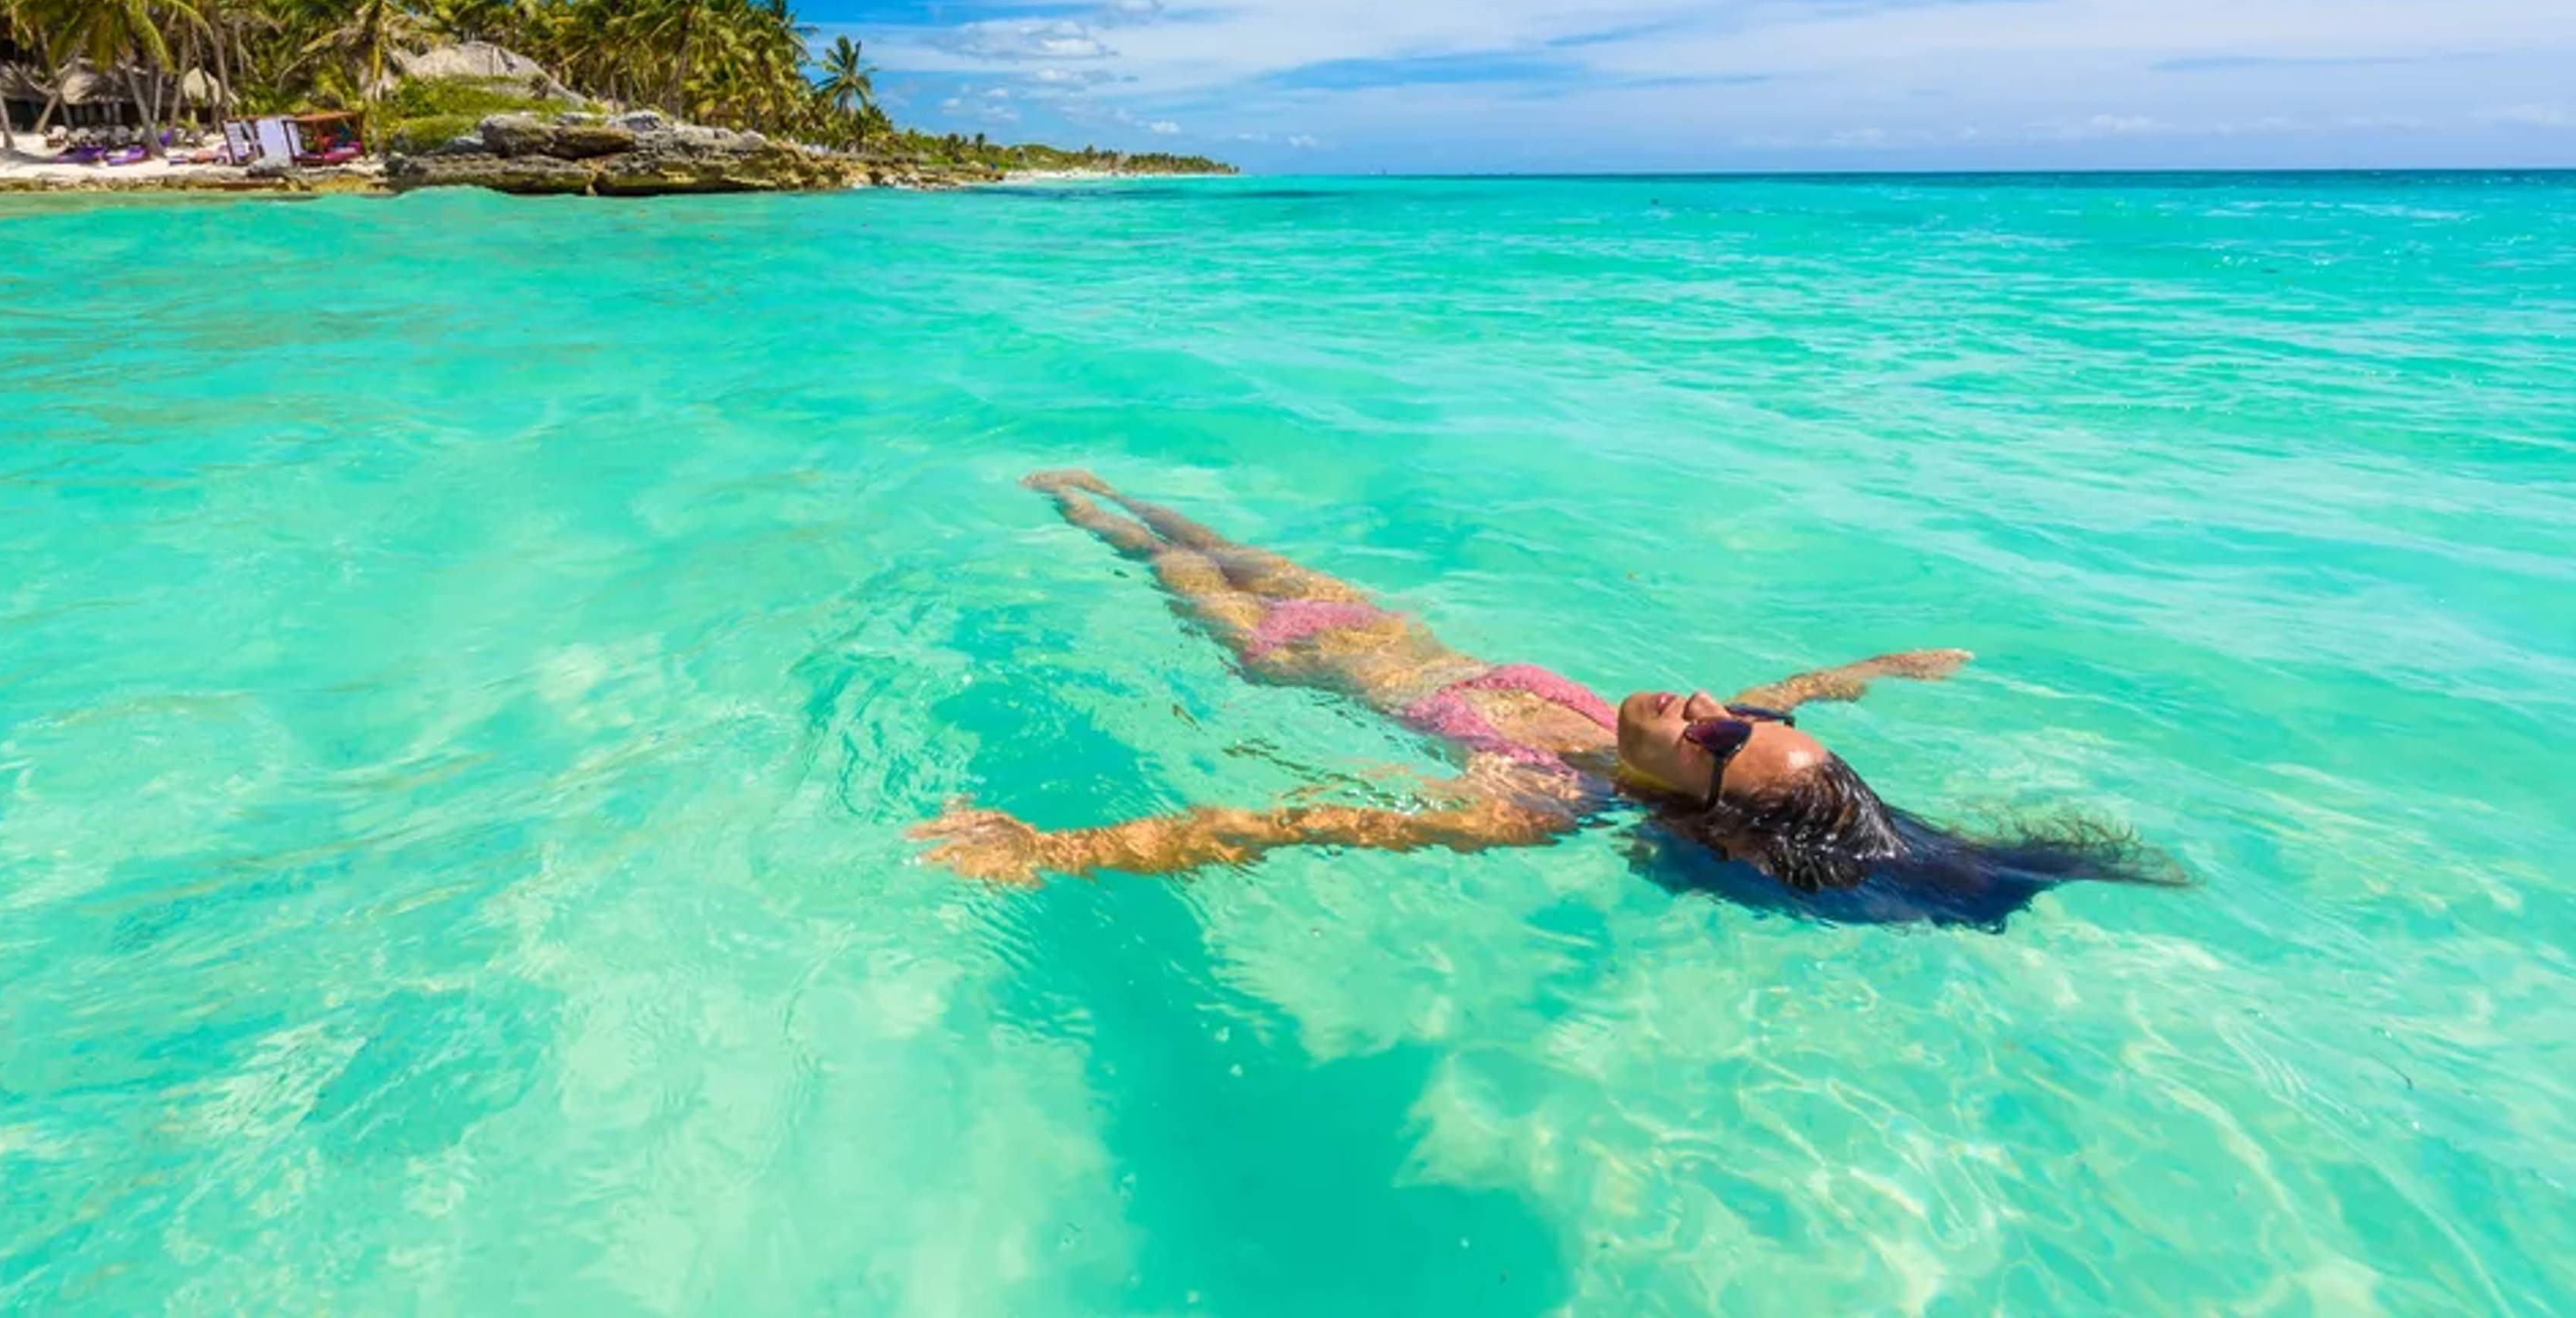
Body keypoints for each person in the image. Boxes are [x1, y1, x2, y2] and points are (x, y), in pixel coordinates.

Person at [911, 473, 2181, 926]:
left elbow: (1299, 824)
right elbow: (1785, 691)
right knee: (1201, 524)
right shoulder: (1696, 728)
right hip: (1375, 622)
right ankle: (1092, 481)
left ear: (1702, 799)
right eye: (1750, 717)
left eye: (1726, 737)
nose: (1713, 707)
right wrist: (1881, 670)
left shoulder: (1538, 800)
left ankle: (1057, 497)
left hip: (1287, 654)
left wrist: (1060, 851)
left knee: (1149, 551)